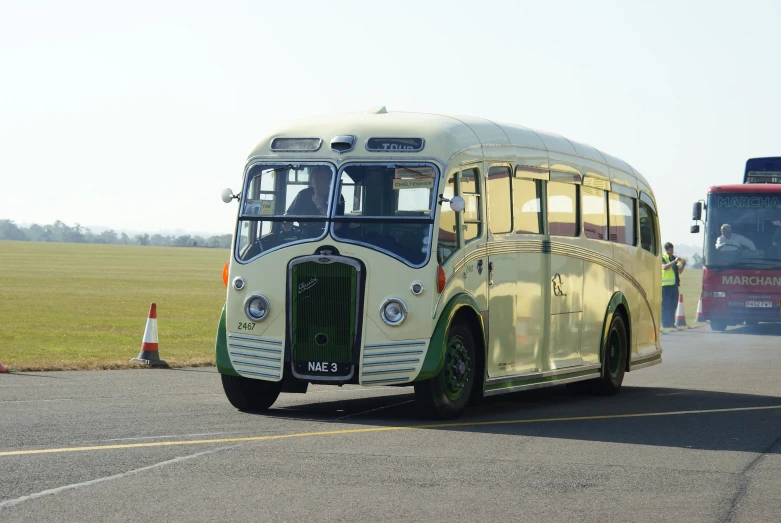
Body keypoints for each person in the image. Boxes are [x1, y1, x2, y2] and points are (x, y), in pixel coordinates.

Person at [283, 166, 344, 236]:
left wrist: (320, 206)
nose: (316, 182)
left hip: (328, 237)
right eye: (314, 179)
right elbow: (290, 214)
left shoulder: (336, 196)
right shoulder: (303, 194)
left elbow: (336, 226)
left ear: (329, 181)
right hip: (304, 237)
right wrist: (288, 222)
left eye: (320, 179)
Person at [661, 242, 686, 328]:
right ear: (667, 250)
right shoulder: (663, 257)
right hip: (665, 285)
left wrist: (683, 265)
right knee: (666, 305)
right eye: (670, 249)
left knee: (673, 304)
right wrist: (674, 261)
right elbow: (664, 267)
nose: (672, 251)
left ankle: (671, 323)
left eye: (672, 249)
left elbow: (679, 271)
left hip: (674, 285)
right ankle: (665, 323)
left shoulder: (674, 258)